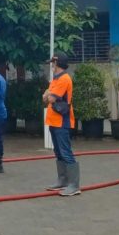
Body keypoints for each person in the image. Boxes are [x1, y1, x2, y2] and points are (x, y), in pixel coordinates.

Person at [44, 52, 80, 196]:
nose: (51, 66)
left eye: (53, 63)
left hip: (61, 121)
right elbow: (46, 97)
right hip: (53, 120)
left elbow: (50, 98)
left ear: (57, 63)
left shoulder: (64, 79)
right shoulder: (56, 79)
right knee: (58, 152)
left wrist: (47, 95)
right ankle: (63, 180)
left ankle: (74, 185)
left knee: (66, 152)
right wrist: (47, 95)